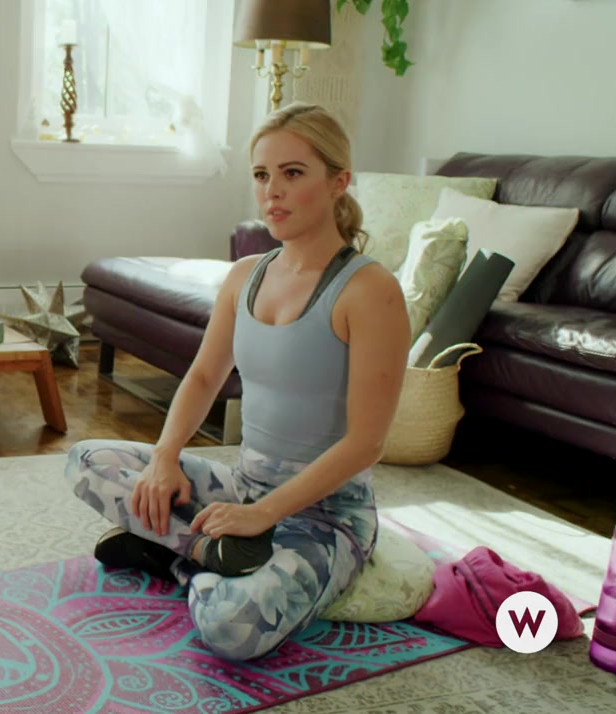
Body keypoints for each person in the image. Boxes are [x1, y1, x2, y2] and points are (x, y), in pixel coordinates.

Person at [65, 102, 410, 662]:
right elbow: (204, 376)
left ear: (338, 182)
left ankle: (175, 556)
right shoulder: (245, 276)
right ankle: (209, 551)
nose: (272, 191)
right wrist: (165, 457)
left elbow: (366, 443)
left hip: (325, 515)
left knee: (230, 626)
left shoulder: (370, 290)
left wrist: (265, 516)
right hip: (244, 487)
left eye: (292, 173)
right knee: (85, 460)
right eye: (261, 175)